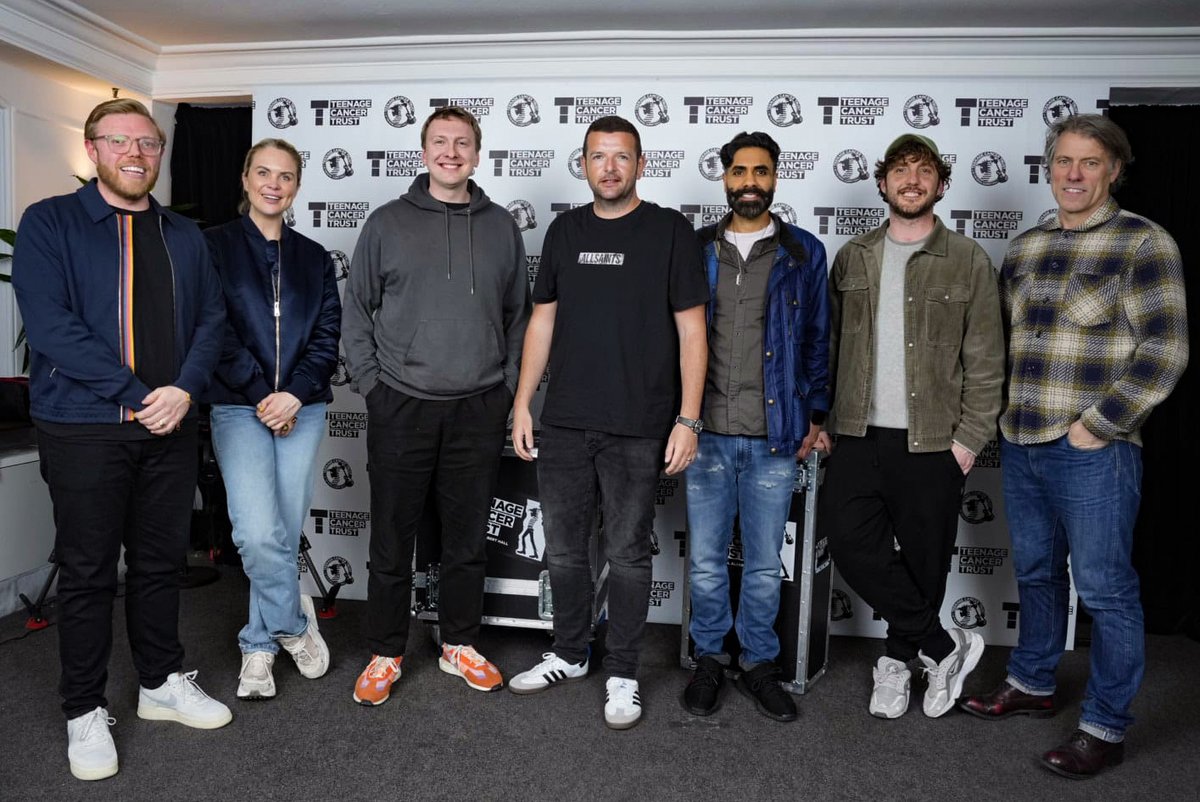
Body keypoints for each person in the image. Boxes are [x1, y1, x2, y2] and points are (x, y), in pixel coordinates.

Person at [960, 114, 1189, 779]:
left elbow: (1165, 351)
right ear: (1049, 168)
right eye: (1064, 161)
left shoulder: (1144, 243)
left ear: (1115, 169)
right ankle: (1032, 683)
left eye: (1090, 163)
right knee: (1033, 573)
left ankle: (1104, 726)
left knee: (1105, 588)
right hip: (1022, 440)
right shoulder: (1026, 248)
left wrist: (1101, 424)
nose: (1075, 174)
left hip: (1095, 447)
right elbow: (1002, 346)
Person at [12, 98, 230, 781]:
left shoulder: (183, 236)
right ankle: (84, 708)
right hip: (84, 430)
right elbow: (50, 327)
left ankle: (161, 683)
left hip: (169, 428)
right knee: (87, 571)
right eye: (121, 141)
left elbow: (212, 322)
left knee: (162, 562)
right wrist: (139, 397)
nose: (137, 153)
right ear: (93, 149)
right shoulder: (50, 223)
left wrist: (184, 392)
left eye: (149, 142)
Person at [507, 115, 709, 730]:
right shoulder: (564, 231)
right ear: (584, 164)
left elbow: (693, 331)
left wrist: (689, 419)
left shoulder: (671, 232)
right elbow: (542, 321)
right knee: (566, 552)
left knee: (626, 554)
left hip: (639, 424)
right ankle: (569, 652)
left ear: (641, 164)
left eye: (622, 157)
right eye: (598, 156)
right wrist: (523, 403)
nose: (610, 167)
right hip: (566, 421)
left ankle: (622, 671)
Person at [341, 106, 531, 704]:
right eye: (440, 142)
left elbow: (519, 317)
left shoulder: (502, 226)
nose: (451, 152)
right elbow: (356, 312)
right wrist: (374, 385)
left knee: (466, 538)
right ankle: (385, 652)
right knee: (393, 540)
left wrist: (504, 389)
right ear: (423, 153)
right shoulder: (386, 223)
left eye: (463, 143)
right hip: (401, 404)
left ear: (478, 153)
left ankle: (459, 644)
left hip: (478, 406)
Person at [817, 133, 1004, 720]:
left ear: (941, 184)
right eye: (900, 170)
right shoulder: (854, 256)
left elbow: (986, 358)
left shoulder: (968, 258)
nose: (912, 180)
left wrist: (969, 441)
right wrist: (820, 419)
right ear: (882, 183)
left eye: (924, 171)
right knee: (849, 543)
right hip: (856, 434)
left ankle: (898, 665)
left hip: (933, 441)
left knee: (925, 561)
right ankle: (947, 648)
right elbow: (826, 348)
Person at [682, 131, 830, 722]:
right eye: (739, 171)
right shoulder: (695, 250)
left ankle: (760, 663)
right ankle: (711, 657)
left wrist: (816, 417)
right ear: (724, 178)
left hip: (776, 435)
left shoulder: (804, 253)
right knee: (706, 561)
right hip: (705, 432)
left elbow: (819, 339)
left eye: (761, 172)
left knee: (766, 564)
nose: (750, 182)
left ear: (775, 178)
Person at [203, 138, 340, 700]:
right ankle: (293, 623)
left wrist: (295, 395)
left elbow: (328, 336)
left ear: (297, 187)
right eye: (263, 173)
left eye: (285, 176)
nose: (273, 184)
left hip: (303, 409)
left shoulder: (314, 257)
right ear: (245, 178)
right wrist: (264, 394)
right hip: (239, 405)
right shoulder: (212, 247)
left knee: (281, 530)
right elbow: (213, 329)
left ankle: (257, 645)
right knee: (257, 534)